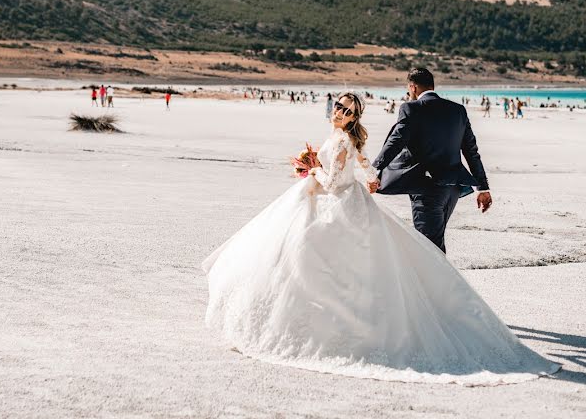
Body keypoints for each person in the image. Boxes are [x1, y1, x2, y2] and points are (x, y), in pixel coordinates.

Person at [203, 91, 558, 384]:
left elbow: (333, 182)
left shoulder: (342, 140)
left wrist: (311, 169)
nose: (339, 111)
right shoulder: (342, 139)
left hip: (337, 204)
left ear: (353, 117)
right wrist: (361, 177)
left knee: (320, 265)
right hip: (348, 200)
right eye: (338, 106)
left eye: (346, 109)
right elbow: (369, 170)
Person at [371, 69, 491, 254]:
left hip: (427, 189)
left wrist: (373, 170)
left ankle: (442, 283)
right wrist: (482, 188)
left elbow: (395, 142)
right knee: (434, 242)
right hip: (453, 189)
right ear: (432, 86)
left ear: (412, 87)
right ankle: (436, 282)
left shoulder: (411, 109)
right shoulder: (457, 110)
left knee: (429, 249)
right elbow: (471, 151)